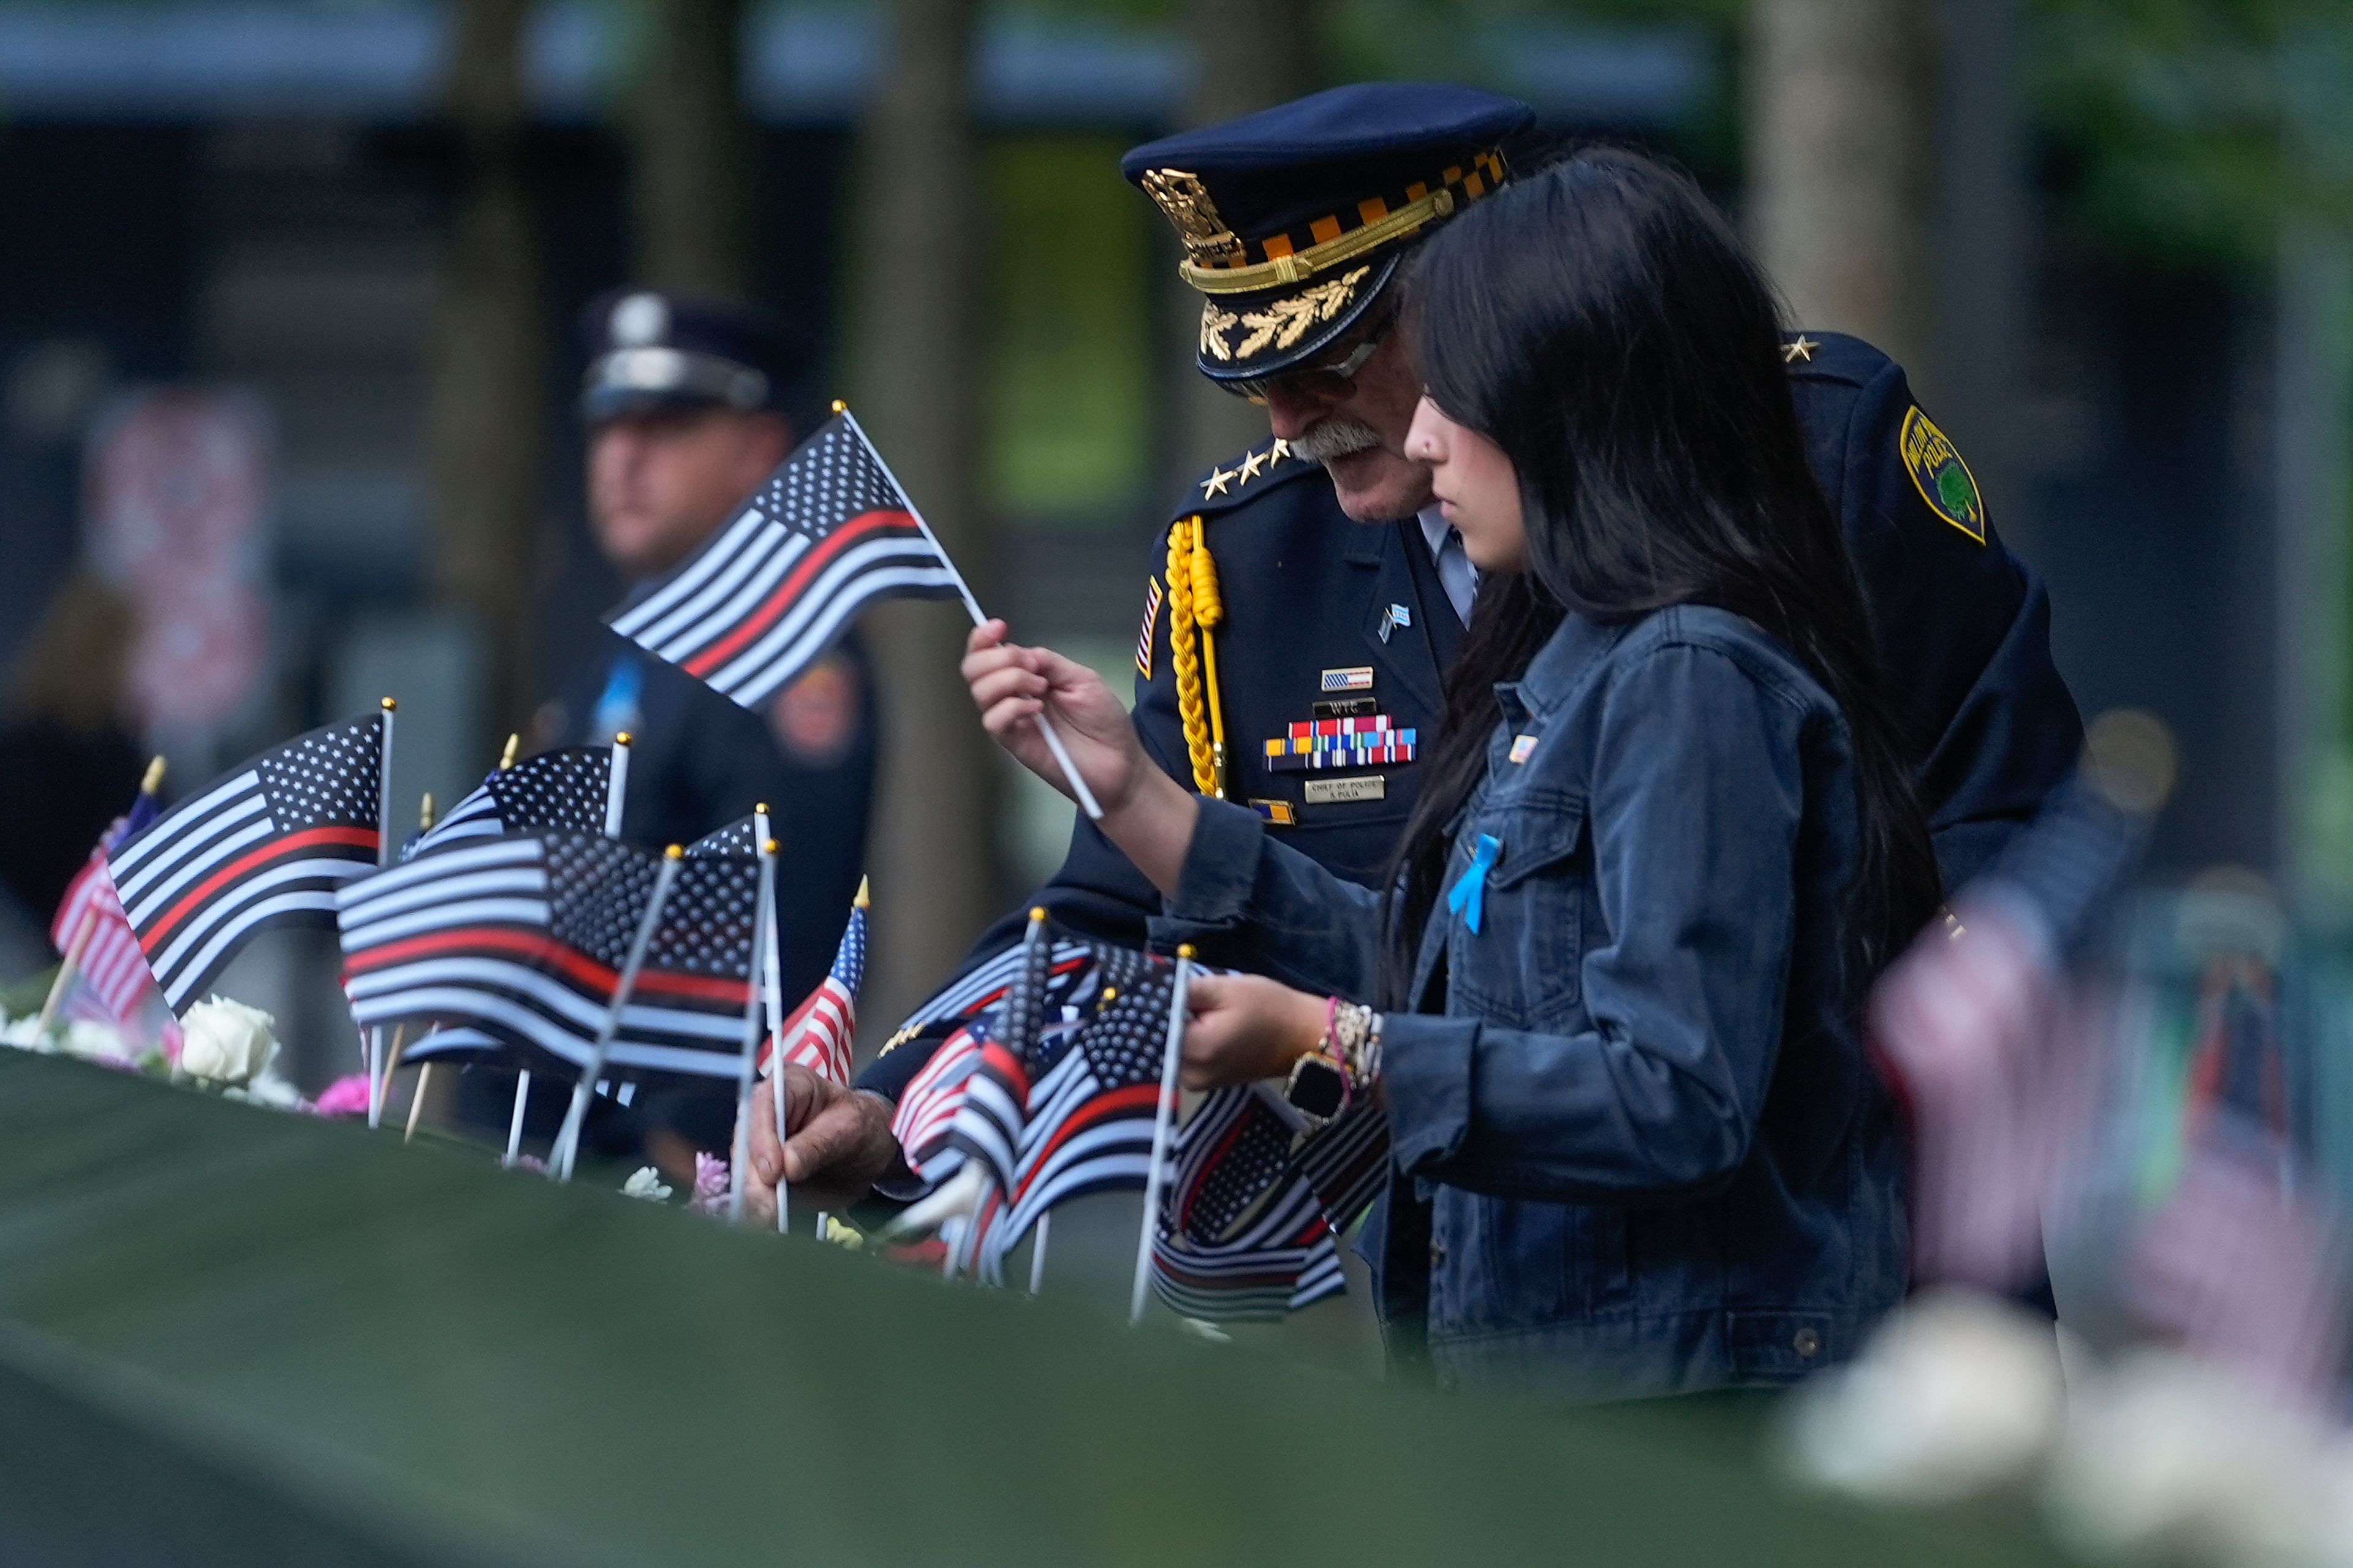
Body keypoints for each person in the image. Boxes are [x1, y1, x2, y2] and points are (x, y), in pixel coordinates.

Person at [744, 83, 2078, 1216]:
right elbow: (1128, 921)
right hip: (1499, 1311)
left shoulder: (1809, 450)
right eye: (1255, 377)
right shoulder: (1249, 567)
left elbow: (2012, 831)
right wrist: (887, 1107)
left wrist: (1835, 1101)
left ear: (1499, 300)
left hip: (1852, 1260)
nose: (1288, 413)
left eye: (1334, 353)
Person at [966, 148, 1936, 1399]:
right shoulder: (1587, 657)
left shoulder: (1692, 673)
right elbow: (1455, 969)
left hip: (1684, 1430)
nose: (1421, 434)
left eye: (1456, 394)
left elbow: (1677, 1091)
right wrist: (1141, 799)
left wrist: (1338, 1042)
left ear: (1571, 406)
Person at [503, 290, 878, 1165]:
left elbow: (783, 937)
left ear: (757, 451)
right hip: (553, 1145)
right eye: (609, 427)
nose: (623, 459)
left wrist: (692, 1155)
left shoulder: (786, 656)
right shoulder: (622, 647)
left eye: (665, 428)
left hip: (662, 1179)